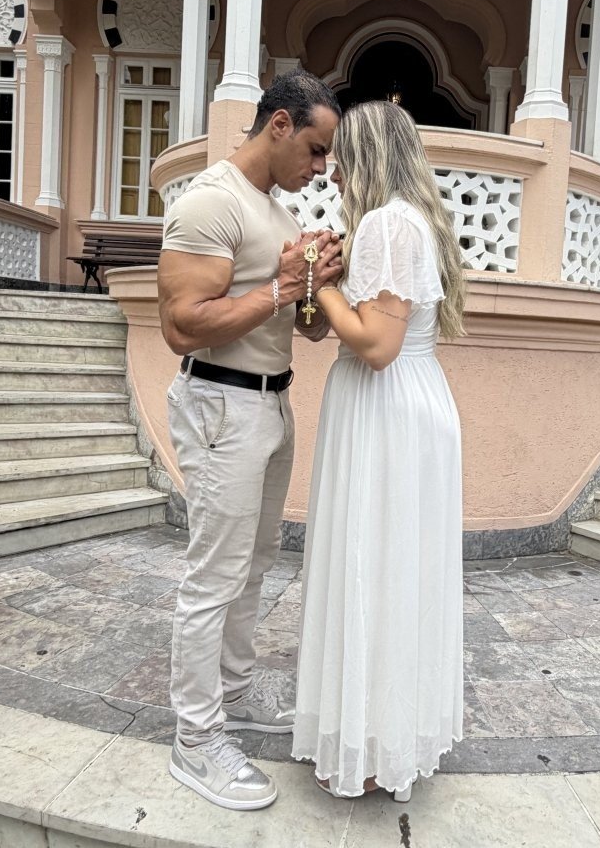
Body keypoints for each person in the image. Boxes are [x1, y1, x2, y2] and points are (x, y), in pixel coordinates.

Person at [157, 69, 343, 812]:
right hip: (220, 403)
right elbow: (183, 325)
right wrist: (281, 285)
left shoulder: (273, 210)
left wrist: (314, 287)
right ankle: (195, 738)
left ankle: (230, 695)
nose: (320, 167)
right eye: (315, 148)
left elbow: (302, 326)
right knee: (215, 574)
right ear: (279, 124)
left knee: (256, 564)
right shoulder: (212, 201)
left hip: (270, 401)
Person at [291, 101, 466, 802]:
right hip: (404, 405)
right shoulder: (406, 221)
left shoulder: (389, 224)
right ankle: (384, 735)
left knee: (374, 565)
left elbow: (376, 344)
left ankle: (368, 747)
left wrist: (319, 277)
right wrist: (321, 286)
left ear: (365, 158)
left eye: (339, 158)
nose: (330, 172)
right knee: (394, 570)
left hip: (385, 408)